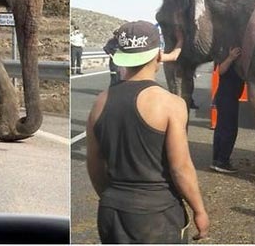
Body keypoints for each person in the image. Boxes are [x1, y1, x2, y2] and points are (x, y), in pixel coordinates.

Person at [86, 21, 209, 243]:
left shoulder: (99, 102)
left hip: (111, 211)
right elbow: (180, 168)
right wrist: (199, 210)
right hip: (157, 215)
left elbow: (94, 164)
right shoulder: (171, 104)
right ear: (158, 56)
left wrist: (111, 197)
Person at [210, 47, 244, 174]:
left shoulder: (238, 60)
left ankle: (217, 160)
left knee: (221, 129)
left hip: (228, 97)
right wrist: (231, 57)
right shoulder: (226, 56)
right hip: (226, 97)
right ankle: (222, 161)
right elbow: (220, 71)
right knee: (229, 130)